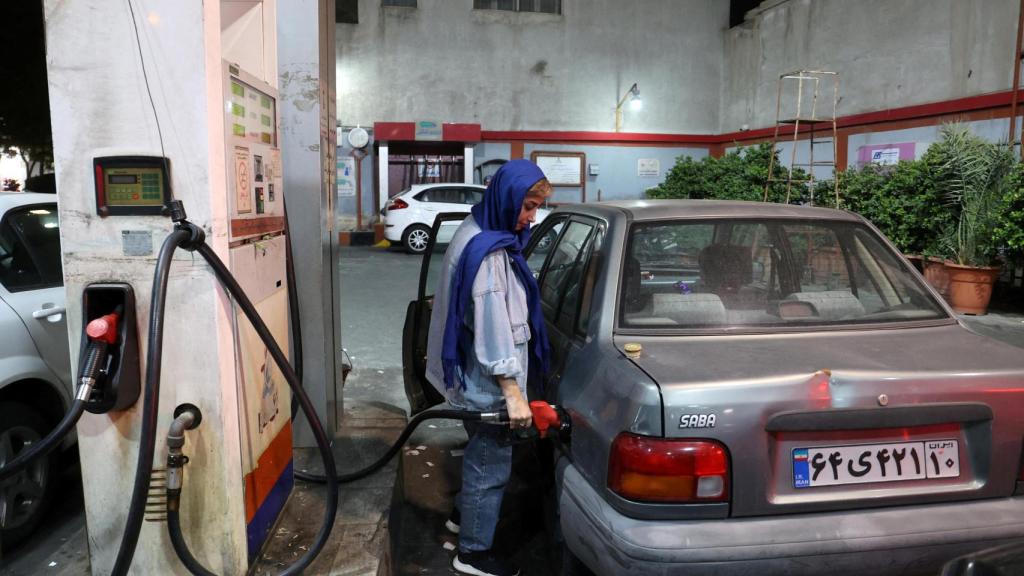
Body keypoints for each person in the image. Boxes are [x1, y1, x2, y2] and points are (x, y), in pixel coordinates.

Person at [425, 159, 553, 576]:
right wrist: (513, 392)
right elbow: (493, 327)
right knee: (490, 465)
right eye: (528, 206)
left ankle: (464, 517)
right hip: (491, 384)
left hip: (470, 378)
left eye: (535, 208)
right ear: (507, 197)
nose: (530, 218)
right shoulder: (489, 255)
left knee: (482, 457)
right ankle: (473, 554)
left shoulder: (477, 228)